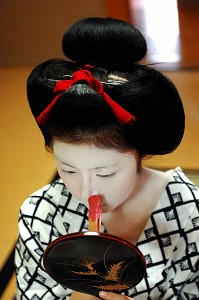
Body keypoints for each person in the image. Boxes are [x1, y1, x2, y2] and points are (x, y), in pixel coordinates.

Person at [15, 17, 199, 300]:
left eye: (105, 173)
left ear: (140, 153)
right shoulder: (40, 213)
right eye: (68, 170)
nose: (88, 191)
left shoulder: (190, 211)